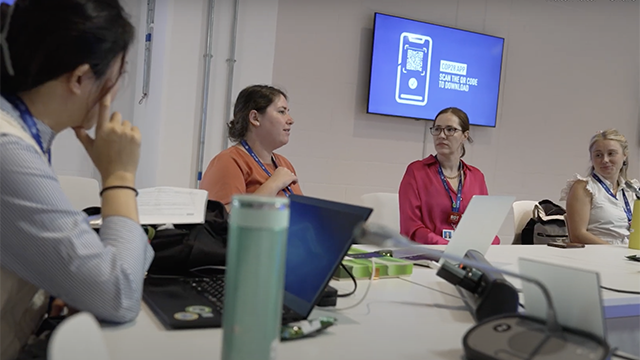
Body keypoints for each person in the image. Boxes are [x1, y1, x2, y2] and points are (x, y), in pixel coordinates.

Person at [0, 1, 153, 359]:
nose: (113, 92)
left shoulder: (20, 132)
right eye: (117, 76)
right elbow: (119, 293)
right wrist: (118, 176)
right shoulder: (9, 149)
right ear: (81, 77)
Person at [398, 107, 499, 245]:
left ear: (465, 135)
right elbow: (410, 228)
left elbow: (484, 226)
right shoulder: (416, 172)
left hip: (465, 256)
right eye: (437, 129)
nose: (442, 135)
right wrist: (448, 247)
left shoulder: (476, 176)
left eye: (450, 130)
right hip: (427, 255)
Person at [200, 85, 302, 209]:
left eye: (288, 112)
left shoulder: (284, 164)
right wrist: (274, 184)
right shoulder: (229, 161)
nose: (290, 120)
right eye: (281, 111)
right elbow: (223, 220)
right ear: (255, 118)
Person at [561, 129, 639, 245]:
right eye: (598, 155)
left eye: (611, 153)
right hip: (600, 256)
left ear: (624, 156)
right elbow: (578, 235)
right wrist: (614, 251)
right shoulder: (583, 188)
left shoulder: (633, 189)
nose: (605, 160)